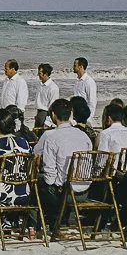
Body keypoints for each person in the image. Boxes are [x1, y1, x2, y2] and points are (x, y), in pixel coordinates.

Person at [34, 98, 92, 228]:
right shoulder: (84, 136)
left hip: (66, 192)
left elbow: (49, 176)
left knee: (38, 183)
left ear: (53, 115)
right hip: (85, 190)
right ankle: (61, 218)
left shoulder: (52, 137)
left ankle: (43, 224)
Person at [31, 63, 59, 131]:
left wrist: (48, 122)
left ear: (45, 74)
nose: (38, 75)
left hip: (45, 115)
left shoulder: (53, 87)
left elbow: (52, 107)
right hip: (39, 114)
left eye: (40, 73)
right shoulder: (40, 85)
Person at [72, 58, 96, 123]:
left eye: (75, 65)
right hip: (77, 116)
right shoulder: (77, 81)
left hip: (84, 118)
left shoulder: (89, 82)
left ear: (81, 67)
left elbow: (92, 102)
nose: (73, 67)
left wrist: (87, 120)